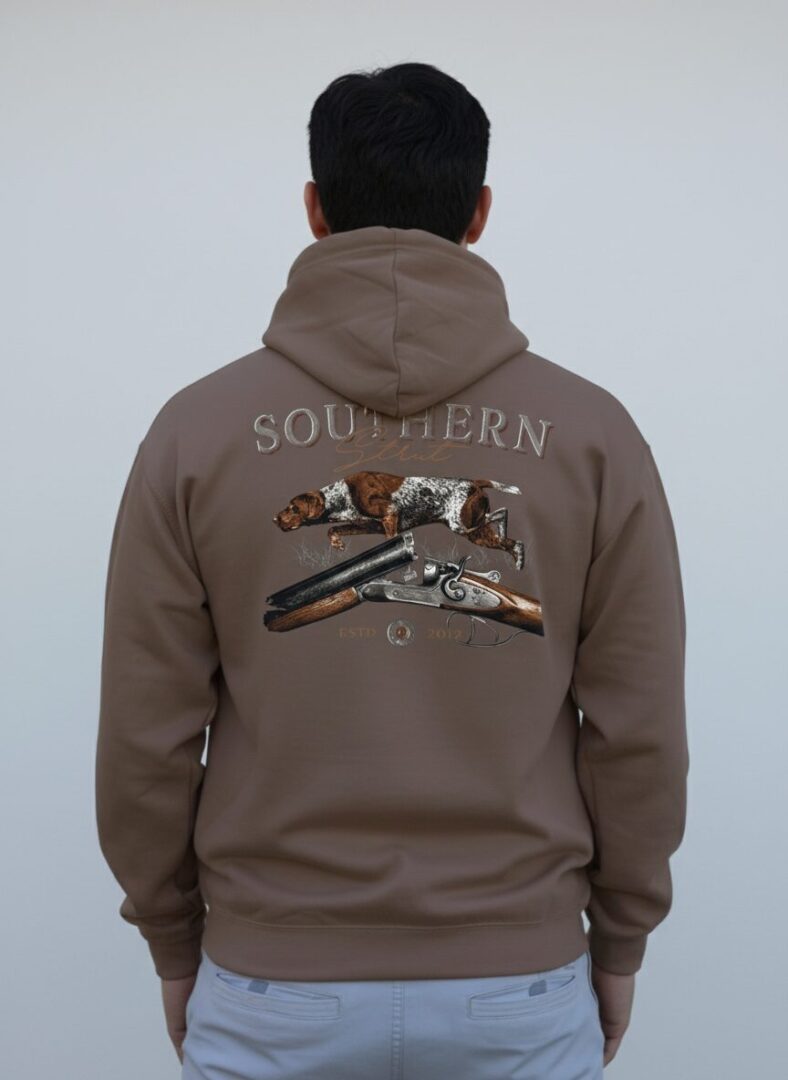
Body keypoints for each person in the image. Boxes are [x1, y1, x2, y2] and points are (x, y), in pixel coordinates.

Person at [95, 61, 689, 1079]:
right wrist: (621, 940)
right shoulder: (593, 436)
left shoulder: (196, 434)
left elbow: (147, 735)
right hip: (518, 981)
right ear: (479, 212)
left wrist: (173, 942)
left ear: (314, 210)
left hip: (273, 982)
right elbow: (637, 730)